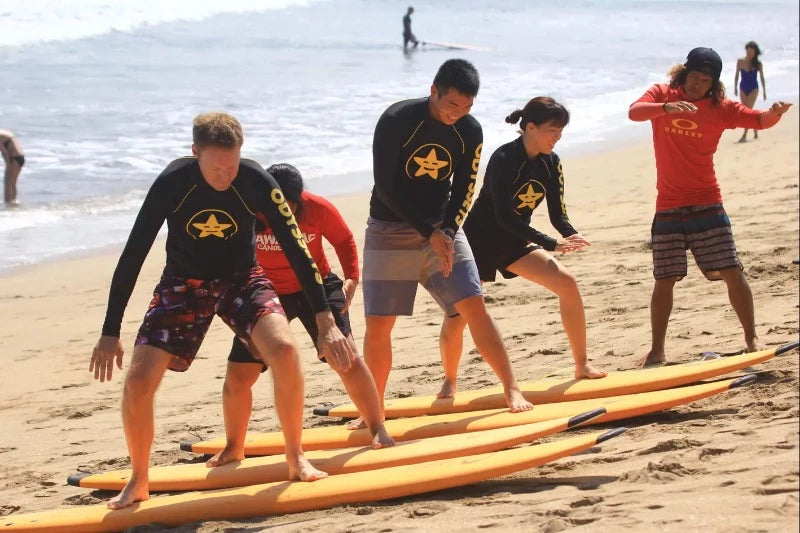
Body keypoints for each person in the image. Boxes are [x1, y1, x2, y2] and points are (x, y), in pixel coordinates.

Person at [89, 112, 357, 509]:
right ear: (194, 152)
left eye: (231, 166)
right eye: (215, 167)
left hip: (242, 279)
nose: (224, 175)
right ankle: (139, 480)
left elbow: (298, 248)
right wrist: (110, 331)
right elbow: (133, 254)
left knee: (284, 350)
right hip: (184, 283)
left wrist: (324, 318)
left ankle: (296, 456)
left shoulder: (255, 180)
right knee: (139, 381)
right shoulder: (172, 183)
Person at [355, 58, 533, 429]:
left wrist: (448, 232)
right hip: (390, 228)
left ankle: (511, 388)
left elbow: (466, 185)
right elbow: (385, 186)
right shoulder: (397, 120)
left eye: (467, 107)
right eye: (452, 105)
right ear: (434, 90)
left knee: (474, 306)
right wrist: (428, 232)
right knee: (379, 325)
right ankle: (373, 409)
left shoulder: (469, 130)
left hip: (441, 228)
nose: (458, 114)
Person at [210, 163, 394, 467]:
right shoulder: (248, 212)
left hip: (316, 287)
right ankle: (234, 446)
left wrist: (351, 277)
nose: (284, 210)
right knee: (239, 374)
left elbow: (344, 240)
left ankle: (377, 426)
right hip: (266, 292)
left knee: (344, 355)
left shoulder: (317, 208)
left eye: (290, 204)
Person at [628, 47, 792, 367]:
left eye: (705, 81)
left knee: (732, 270)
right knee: (665, 278)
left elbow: (758, 120)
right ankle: (657, 350)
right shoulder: (663, 93)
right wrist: (665, 108)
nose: (698, 85)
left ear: (713, 83)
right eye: (694, 77)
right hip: (669, 205)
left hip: (707, 201)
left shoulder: (720, 108)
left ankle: (751, 338)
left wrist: (774, 113)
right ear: (683, 74)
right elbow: (634, 112)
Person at [437, 97, 607, 398]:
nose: (558, 137)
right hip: (478, 242)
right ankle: (450, 379)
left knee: (567, 283)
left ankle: (581, 365)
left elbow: (558, 212)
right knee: (458, 316)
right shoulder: (504, 159)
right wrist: (551, 243)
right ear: (530, 127)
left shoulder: (551, 163)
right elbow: (504, 217)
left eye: (561, 131)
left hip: (514, 241)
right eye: (552, 130)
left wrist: (571, 234)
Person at [734, 41, 767, 142]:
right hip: (743, 88)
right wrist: (735, 87)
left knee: (747, 110)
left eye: (751, 51)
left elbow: (762, 78)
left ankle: (744, 135)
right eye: (748, 51)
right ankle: (755, 128)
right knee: (746, 111)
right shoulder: (740, 61)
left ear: (755, 52)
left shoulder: (758, 64)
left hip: (754, 88)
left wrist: (764, 91)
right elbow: (736, 75)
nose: (749, 53)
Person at [0, 129, 24, 205]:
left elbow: (4, 152)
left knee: (7, 183)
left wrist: (8, 164)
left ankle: (7, 205)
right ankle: (13, 202)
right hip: (21, 158)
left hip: (13, 159)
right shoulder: (5, 132)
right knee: (13, 183)